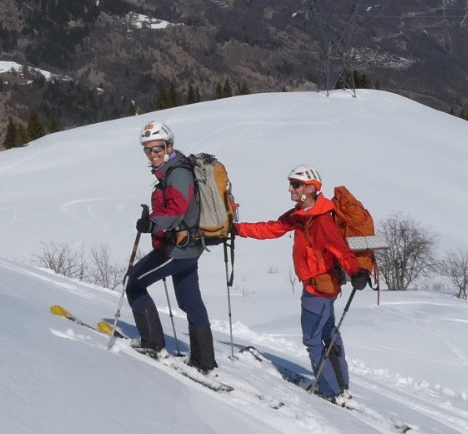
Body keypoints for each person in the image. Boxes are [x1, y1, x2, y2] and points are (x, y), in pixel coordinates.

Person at [235, 165, 370, 401]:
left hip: (318, 288)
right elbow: (271, 228)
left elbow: (342, 250)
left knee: (312, 339)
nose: (291, 189)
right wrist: (237, 229)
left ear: (310, 188)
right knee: (328, 333)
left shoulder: (321, 221)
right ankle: (339, 383)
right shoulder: (299, 216)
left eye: (296, 184)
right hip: (323, 287)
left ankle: (329, 390)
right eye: (291, 183)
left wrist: (356, 271)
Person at [125, 120, 215, 372]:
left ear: (169, 146)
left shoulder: (178, 173)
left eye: (157, 148)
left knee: (134, 283)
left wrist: (151, 224)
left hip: (177, 249)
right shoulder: (171, 170)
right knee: (190, 301)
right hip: (187, 247)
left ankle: (152, 343)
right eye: (148, 150)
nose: (153, 154)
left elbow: (177, 210)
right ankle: (204, 360)